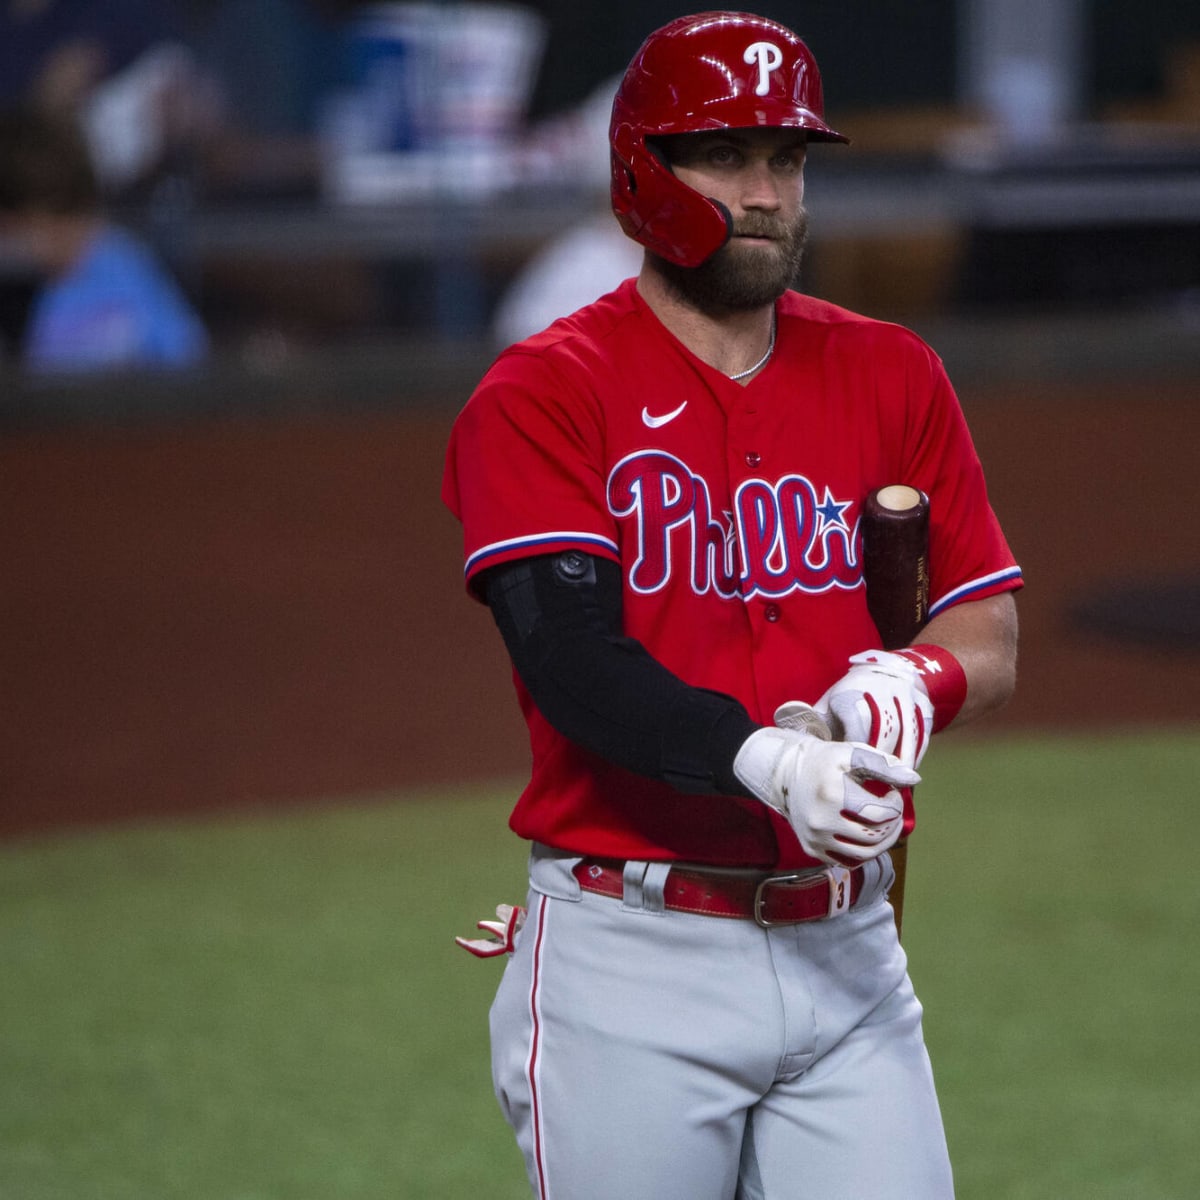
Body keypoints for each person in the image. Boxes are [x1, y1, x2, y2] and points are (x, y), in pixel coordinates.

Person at [442, 12, 1022, 1199]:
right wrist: (761, 760)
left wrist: (914, 683)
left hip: (850, 957)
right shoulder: (545, 394)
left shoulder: (890, 371)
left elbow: (984, 626)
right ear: (641, 173)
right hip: (631, 961)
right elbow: (571, 659)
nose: (765, 193)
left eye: (789, 160)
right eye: (728, 157)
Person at [0, 107, 209, 372]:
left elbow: (189, 359)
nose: (68, 235)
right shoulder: (19, 290)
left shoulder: (124, 262)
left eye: (72, 215)